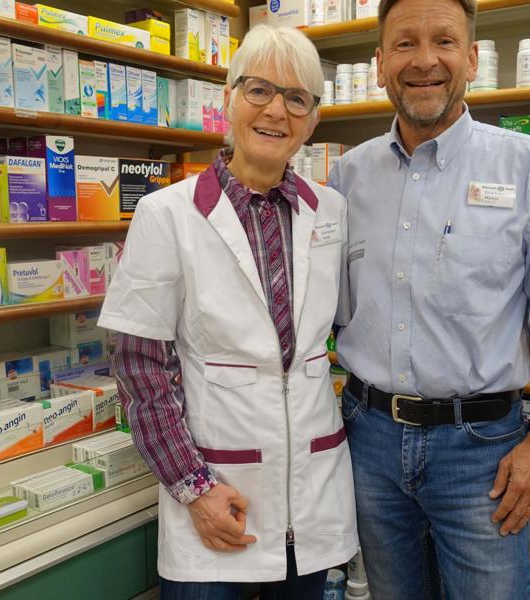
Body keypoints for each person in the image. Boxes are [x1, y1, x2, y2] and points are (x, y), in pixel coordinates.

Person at [327, 1, 530, 598]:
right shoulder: (346, 179)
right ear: (379, 64)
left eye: (444, 42)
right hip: (369, 439)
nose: (424, 61)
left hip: (482, 452)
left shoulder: (528, 165)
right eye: (404, 44)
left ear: (473, 59)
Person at [99, 24, 357, 600]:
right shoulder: (167, 214)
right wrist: (195, 487)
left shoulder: (331, 211)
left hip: (313, 498)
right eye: (259, 90)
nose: (276, 111)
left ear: (313, 120)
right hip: (216, 497)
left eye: (297, 99)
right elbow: (140, 369)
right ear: (228, 101)